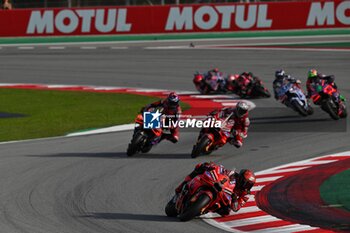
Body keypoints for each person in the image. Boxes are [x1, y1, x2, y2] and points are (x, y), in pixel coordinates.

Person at [175, 162, 256, 215]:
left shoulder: (246, 194)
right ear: (241, 178)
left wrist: (234, 199)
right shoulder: (233, 174)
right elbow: (221, 169)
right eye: (246, 183)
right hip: (218, 185)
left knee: (226, 212)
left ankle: (204, 208)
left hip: (225, 197)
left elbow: (236, 208)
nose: (247, 186)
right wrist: (211, 166)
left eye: (250, 185)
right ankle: (182, 185)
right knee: (200, 166)